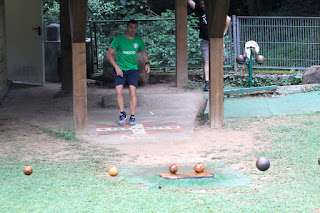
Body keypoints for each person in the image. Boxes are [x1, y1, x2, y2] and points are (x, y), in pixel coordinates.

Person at [106, 20, 150, 126]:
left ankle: (132, 116)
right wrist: (116, 67)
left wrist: (147, 63)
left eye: (135, 27)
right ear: (127, 28)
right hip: (120, 69)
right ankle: (122, 113)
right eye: (131, 27)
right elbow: (109, 54)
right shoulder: (119, 39)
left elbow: (143, 52)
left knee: (132, 93)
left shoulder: (138, 40)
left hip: (132, 69)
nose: (133, 29)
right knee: (118, 92)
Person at [187, 0, 231, 91]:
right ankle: (207, 82)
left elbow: (228, 19)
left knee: (219, 61)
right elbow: (192, 4)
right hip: (206, 40)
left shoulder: (215, 10)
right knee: (206, 61)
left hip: (217, 40)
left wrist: (224, 32)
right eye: (202, 4)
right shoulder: (200, 9)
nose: (203, 6)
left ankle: (218, 81)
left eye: (204, 4)